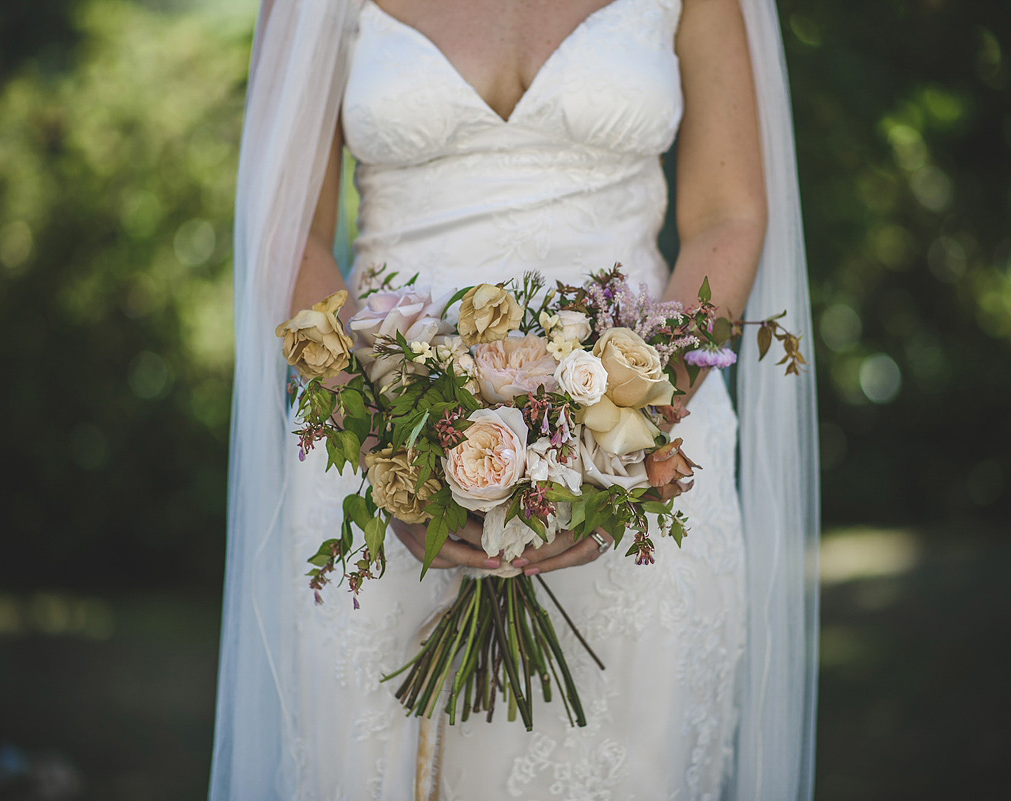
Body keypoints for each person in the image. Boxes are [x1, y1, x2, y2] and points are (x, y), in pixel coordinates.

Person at [211, 0, 819, 798]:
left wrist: (622, 436)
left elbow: (729, 213)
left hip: (644, 458)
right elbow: (286, 228)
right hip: (375, 454)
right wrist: (392, 452)